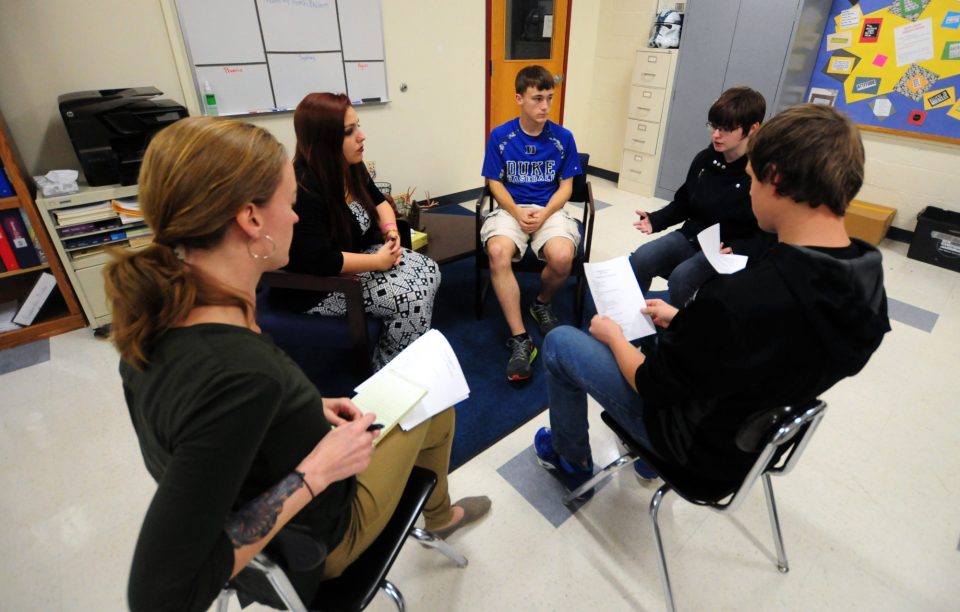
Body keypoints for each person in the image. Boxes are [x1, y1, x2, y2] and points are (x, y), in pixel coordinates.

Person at [105, 117, 489, 611]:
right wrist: (316, 470)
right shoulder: (241, 374)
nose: (295, 217)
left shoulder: (154, 319)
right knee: (434, 402)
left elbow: (211, 439)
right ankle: (440, 517)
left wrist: (302, 408)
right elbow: (160, 597)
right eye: (288, 205)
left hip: (272, 502)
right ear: (251, 219)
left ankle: (437, 515)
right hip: (315, 540)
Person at [534, 104, 891, 497]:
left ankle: (571, 459)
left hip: (693, 450)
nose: (749, 190)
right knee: (653, 327)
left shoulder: (738, 297)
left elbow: (652, 385)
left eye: (752, 179)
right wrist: (689, 324)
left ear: (775, 179)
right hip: (751, 446)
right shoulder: (867, 282)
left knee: (560, 343)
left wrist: (613, 336)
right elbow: (763, 349)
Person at [284, 92, 440, 368]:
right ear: (324, 141)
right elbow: (321, 261)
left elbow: (379, 201)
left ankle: (400, 351)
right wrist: (378, 261)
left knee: (429, 270)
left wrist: (391, 231)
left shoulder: (349, 166)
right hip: (321, 286)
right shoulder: (305, 188)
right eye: (349, 131)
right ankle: (388, 374)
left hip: (356, 259)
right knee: (412, 297)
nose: (362, 136)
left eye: (358, 125)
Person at [481, 65, 583, 381]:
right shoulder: (500, 136)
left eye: (549, 98)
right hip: (511, 209)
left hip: (549, 210)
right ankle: (521, 339)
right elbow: (493, 182)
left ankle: (541, 302)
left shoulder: (563, 138)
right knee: (497, 251)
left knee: (563, 257)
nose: (545, 107)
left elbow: (566, 187)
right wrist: (514, 211)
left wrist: (545, 212)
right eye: (537, 98)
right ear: (519, 98)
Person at [630, 86, 774, 306]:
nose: (716, 134)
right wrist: (656, 219)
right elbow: (685, 202)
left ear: (753, 128)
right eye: (714, 126)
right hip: (693, 236)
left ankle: (678, 333)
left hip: (725, 249)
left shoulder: (760, 172)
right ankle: (630, 320)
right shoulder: (705, 159)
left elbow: (770, 234)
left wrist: (740, 249)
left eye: (726, 128)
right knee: (641, 258)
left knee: (682, 278)